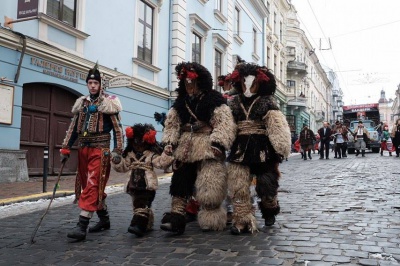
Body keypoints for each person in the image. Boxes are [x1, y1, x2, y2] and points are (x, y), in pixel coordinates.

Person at [160, 62, 236, 235]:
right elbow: (172, 124)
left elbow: (224, 122)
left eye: (192, 83)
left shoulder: (214, 100)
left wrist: (218, 143)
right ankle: (176, 217)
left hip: (207, 145)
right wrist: (170, 142)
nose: (189, 87)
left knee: (210, 182)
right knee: (180, 180)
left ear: (200, 82)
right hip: (186, 147)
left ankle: (211, 217)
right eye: (186, 84)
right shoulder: (180, 103)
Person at [60, 63, 124, 241]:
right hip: (83, 149)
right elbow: (73, 128)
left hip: (100, 150)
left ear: (101, 84)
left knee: (93, 184)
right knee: (89, 185)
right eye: (90, 83)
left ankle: (82, 226)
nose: (93, 86)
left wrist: (117, 150)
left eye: (96, 83)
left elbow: (118, 129)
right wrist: (66, 147)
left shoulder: (109, 103)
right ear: (87, 84)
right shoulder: (82, 103)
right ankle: (104, 220)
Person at [226, 61, 291, 234]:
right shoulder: (234, 104)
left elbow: (276, 124)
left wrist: (281, 146)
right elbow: (228, 125)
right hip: (240, 148)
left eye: (252, 85)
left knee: (266, 184)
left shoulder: (267, 102)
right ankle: (242, 220)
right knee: (238, 185)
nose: (247, 89)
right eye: (243, 84)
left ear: (259, 83)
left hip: (263, 149)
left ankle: (270, 208)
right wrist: (221, 141)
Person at [112, 123, 174, 237]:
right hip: (133, 185)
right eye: (135, 142)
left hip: (147, 185)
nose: (138, 145)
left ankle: (138, 225)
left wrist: (166, 154)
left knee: (141, 204)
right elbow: (123, 167)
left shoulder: (151, 155)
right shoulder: (130, 155)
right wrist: (117, 161)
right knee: (138, 205)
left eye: (141, 143)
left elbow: (161, 163)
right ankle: (147, 223)